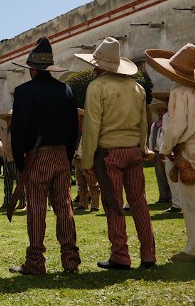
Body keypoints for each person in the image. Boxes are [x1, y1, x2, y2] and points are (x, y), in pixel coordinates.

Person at [75, 37, 156, 270]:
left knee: (114, 205)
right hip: (133, 151)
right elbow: (144, 123)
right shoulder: (137, 87)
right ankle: (148, 254)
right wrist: (142, 148)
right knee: (139, 203)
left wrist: (87, 159)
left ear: (99, 65)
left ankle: (120, 256)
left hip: (108, 153)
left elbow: (92, 127)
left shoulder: (97, 86)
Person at [8, 37, 80, 275]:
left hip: (37, 157)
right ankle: (71, 261)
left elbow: (18, 132)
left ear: (32, 68)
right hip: (60, 154)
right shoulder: (65, 90)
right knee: (65, 208)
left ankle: (36, 262)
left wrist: (20, 161)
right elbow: (73, 129)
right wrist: (67, 157)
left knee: (37, 208)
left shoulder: (24, 92)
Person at [146, 43, 195, 262]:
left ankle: (193, 248)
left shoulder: (179, 91)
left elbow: (175, 127)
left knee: (190, 200)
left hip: (189, 150)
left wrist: (166, 149)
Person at [73, 108, 100, 212]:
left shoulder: (90, 131)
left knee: (92, 183)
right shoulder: (76, 132)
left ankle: (95, 205)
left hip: (87, 159)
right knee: (81, 184)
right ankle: (83, 204)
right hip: (77, 159)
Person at [0, 110, 25, 210]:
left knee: (20, 182)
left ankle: (23, 203)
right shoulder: (4, 131)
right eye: (7, 118)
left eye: (10, 118)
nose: (8, 121)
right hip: (6, 159)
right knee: (7, 183)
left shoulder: (20, 131)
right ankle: (7, 202)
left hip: (16, 160)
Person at [148, 100, 173, 205]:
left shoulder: (169, 122)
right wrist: (151, 152)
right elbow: (151, 138)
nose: (160, 113)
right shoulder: (155, 125)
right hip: (157, 152)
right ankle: (163, 196)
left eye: (162, 111)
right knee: (160, 176)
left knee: (170, 175)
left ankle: (172, 196)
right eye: (159, 111)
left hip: (167, 152)